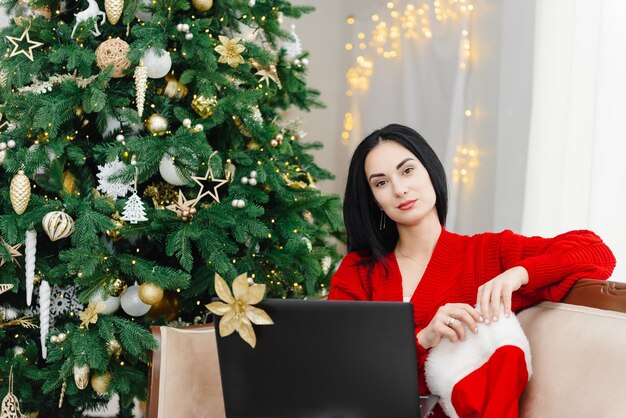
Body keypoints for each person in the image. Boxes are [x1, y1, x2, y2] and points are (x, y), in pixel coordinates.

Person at [328, 124, 616, 418]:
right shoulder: (358, 270)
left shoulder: (487, 254)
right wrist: (423, 339)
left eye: (407, 171)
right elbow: (337, 366)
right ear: (374, 200)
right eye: (381, 183)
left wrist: (517, 274)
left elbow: (595, 251)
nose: (399, 189)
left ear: (430, 170)